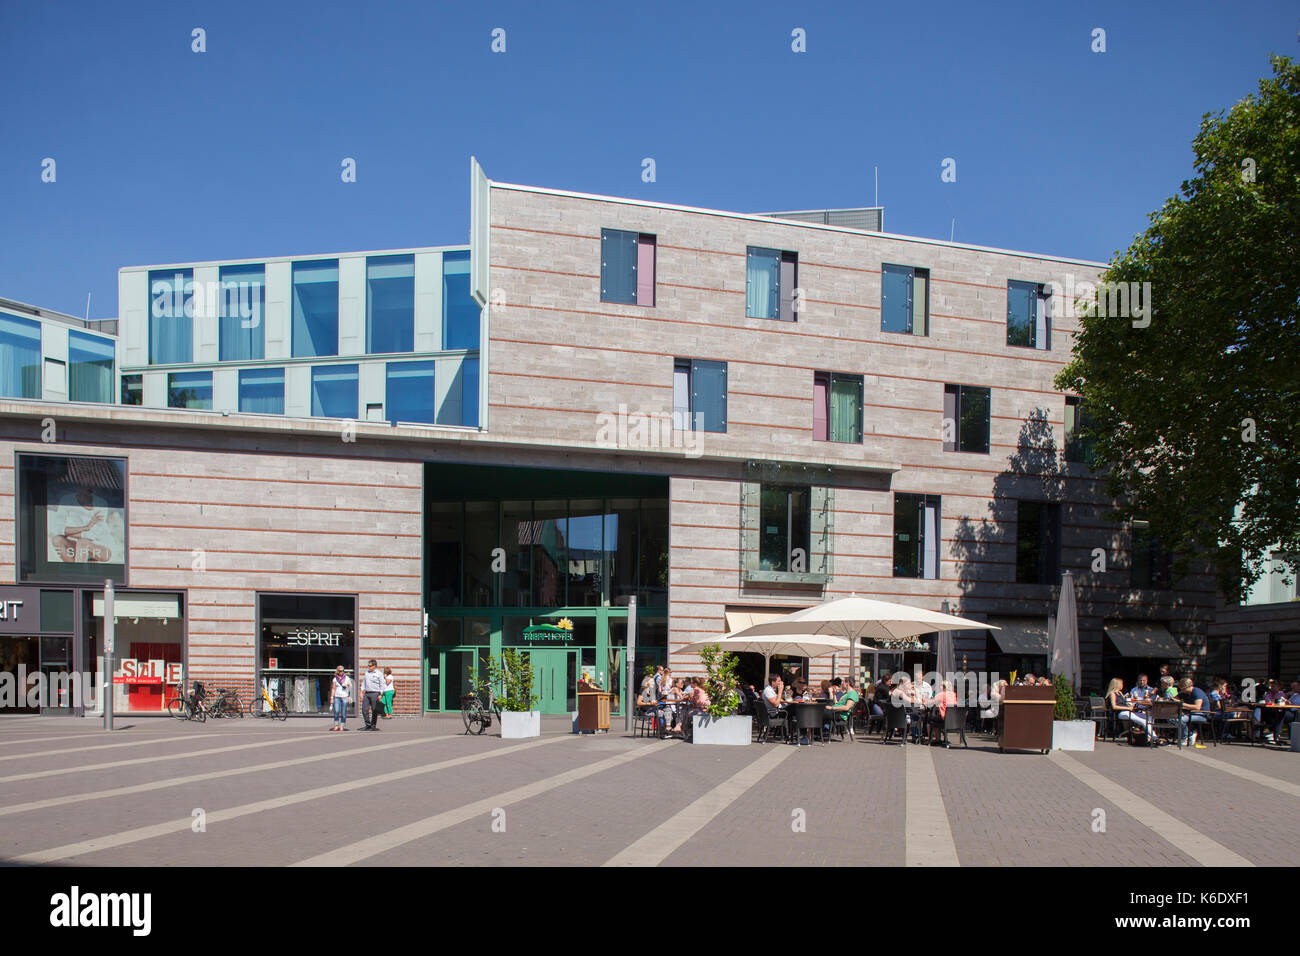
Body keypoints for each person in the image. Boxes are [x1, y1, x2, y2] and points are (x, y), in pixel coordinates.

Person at [1105, 677, 1148, 742]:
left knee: (1146, 717)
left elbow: (1124, 703)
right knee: (1142, 721)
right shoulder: (1112, 694)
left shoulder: (1120, 693)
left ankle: (1146, 735)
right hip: (1119, 713)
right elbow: (1114, 706)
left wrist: (1128, 704)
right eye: (1121, 684)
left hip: (1126, 711)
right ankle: (1153, 737)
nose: (1122, 685)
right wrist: (1127, 708)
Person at [1177, 677, 1210, 748]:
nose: (1181, 690)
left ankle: (1186, 737)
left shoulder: (1197, 692)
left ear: (1188, 687)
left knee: (1181, 719)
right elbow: (1175, 698)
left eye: (1183, 688)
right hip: (1189, 713)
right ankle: (1190, 734)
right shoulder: (1184, 693)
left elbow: (1197, 707)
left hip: (1201, 714)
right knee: (1173, 719)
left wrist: (1182, 704)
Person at [360, 659, 386, 731]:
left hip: (375, 693)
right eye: (368, 665)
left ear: (374, 666)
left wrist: (381, 694)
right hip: (367, 693)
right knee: (364, 710)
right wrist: (361, 692)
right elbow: (363, 683)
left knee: (374, 710)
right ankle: (367, 725)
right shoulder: (366, 673)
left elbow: (382, 684)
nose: (369, 667)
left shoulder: (379, 674)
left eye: (370, 665)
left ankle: (373, 725)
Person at [329, 665, 351, 731]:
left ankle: (342, 726)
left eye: (342, 671)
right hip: (337, 697)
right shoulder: (335, 679)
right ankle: (336, 725)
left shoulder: (347, 678)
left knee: (343, 713)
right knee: (336, 711)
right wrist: (331, 697)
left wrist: (347, 684)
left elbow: (350, 687)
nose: (341, 672)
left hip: (344, 697)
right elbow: (333, 688)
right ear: (337, 671)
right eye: (339, 671)